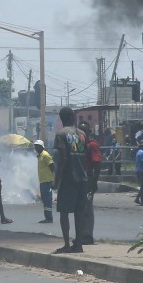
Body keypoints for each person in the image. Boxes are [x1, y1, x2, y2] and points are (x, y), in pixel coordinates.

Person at [52, 107, 88, 254]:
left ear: (61, 118)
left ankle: (67, 244)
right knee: (79, 212)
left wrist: (57, 180)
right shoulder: (82, 134)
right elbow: (84, 155)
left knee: (64, 212)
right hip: (83, 177)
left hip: (69, 178)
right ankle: (78, 244)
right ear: (73, 117)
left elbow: (63, 158)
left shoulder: (60, 134)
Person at [81, 123, 101, 244]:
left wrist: (94, 181)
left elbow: (97, 165)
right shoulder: (79, 145)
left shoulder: (92, 145)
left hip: (88, 179)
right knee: (81, 208)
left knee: (87, 208)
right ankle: (82, 233)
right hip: (81, 180)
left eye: (84, 130)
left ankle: (88, 235)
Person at [34, 139, 54, 223]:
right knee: (45, 200)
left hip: (47, 181)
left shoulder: (45, 155)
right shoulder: (40, 156)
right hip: (43, 181)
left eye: (37, 146)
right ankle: (47, 217)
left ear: (42, 147)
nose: (36, 148)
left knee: (47, 200)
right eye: (35, 146)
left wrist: (53, 180)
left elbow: (52, 166)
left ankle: (49, 218)